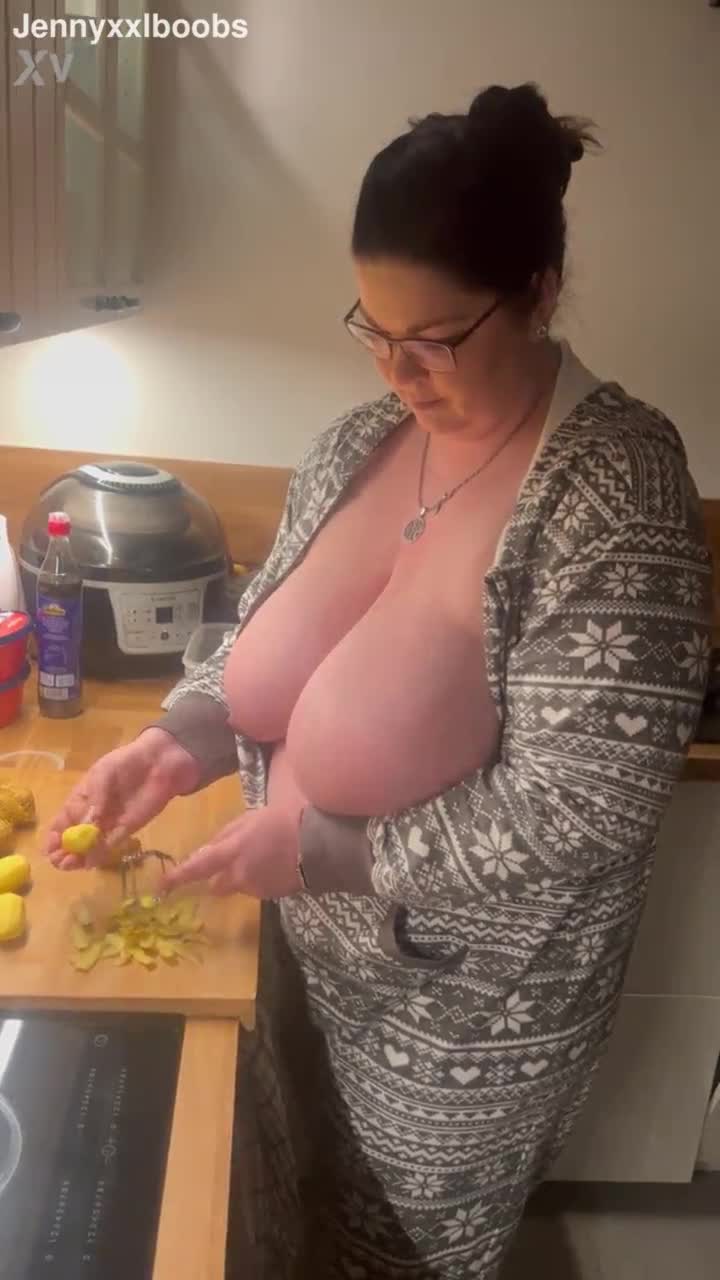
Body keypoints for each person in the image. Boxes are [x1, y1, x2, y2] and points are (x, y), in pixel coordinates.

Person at [47, 83, 713, 1279]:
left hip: (458, 1031)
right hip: (295, 968)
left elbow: (582, 808)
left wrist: (323, 851)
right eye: (375, 328)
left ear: (540, 290)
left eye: (437, 338)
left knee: (387, 1263)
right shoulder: (359, 443)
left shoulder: (621, 490)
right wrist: (179, 741)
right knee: (276, 1233)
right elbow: (264, 633)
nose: (400, 370)